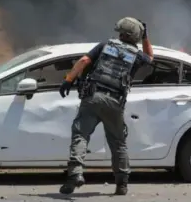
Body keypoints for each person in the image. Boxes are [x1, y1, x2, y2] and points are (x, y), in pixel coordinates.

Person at [58, 17, 154, 196]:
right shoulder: (137, 56)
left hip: (92, 98)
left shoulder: (104, 46)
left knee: (80, 135)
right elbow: (150, 57)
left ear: (120, 32)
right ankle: (122, 184)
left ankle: (75, 174)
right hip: (115, 103)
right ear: (136, 37)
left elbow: (84, 61)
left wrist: (68, 80)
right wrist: (146, 37)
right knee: (118, 143)